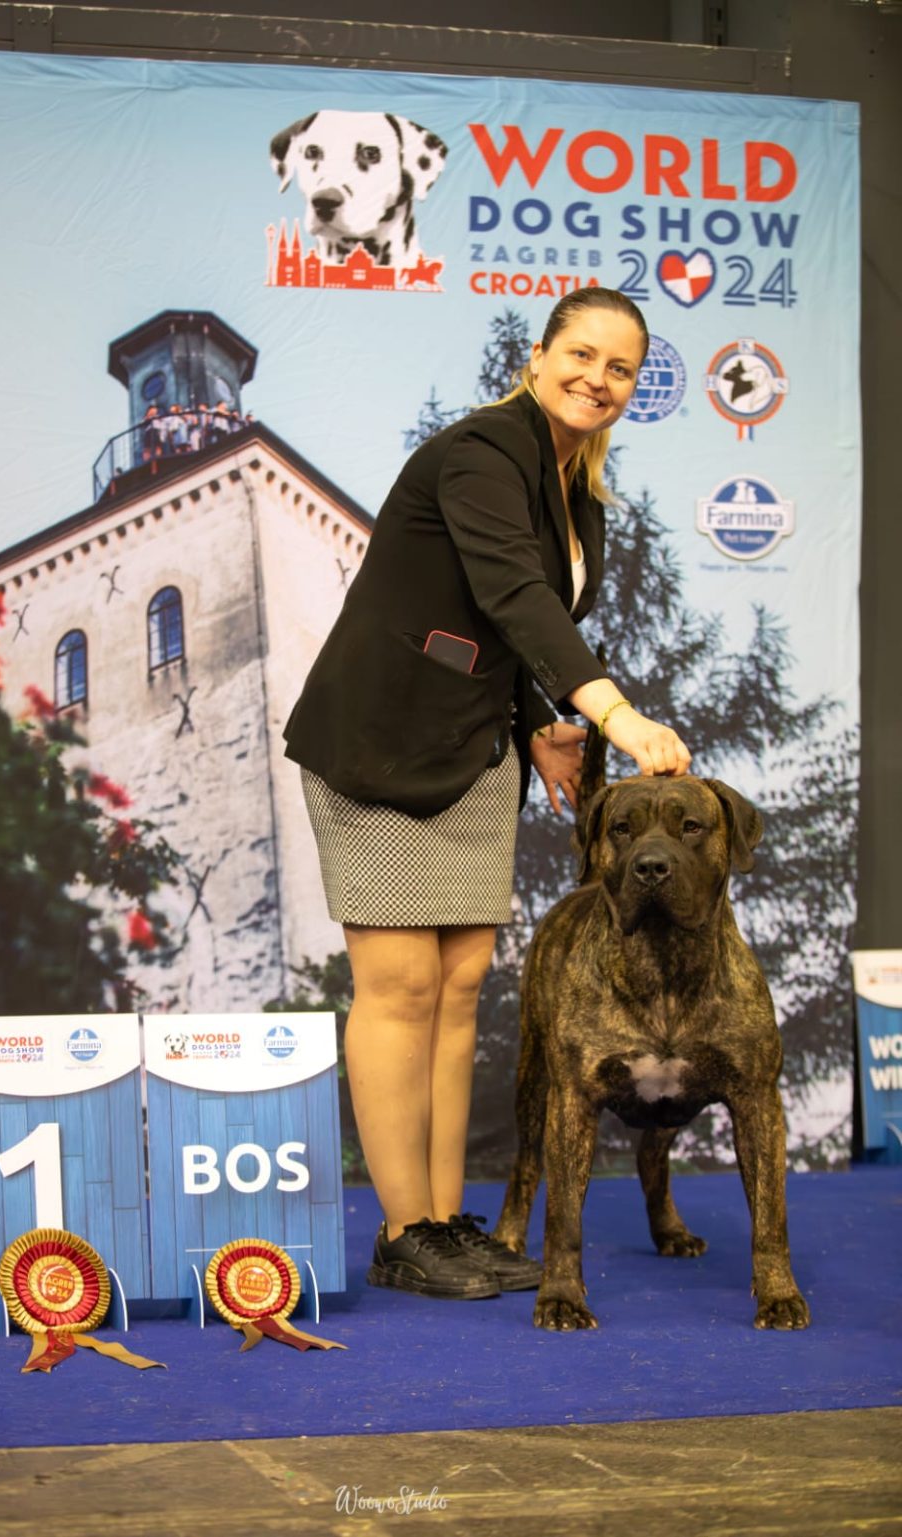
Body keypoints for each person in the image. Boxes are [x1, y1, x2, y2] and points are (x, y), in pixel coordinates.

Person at [283, 288, 692, 1301]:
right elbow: (512, 590)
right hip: (378, 743)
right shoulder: (480, 452)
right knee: (399, 988)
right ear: (537, 353)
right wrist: (615, 718)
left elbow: (509, 628)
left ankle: (443, 1218)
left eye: (620, 368)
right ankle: (400, 1228)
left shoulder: (574, 486)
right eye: (581, 355)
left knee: (460, 984)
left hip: (470, 749)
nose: (597, 379)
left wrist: (542, 728)